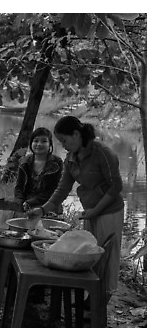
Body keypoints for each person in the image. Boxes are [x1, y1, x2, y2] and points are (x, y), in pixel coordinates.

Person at [27, 116, 124, 299]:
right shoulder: (70, 159)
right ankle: (92, 298)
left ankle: (102, 300)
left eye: (64, 140)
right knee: (89, 254)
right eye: (60, 142)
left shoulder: (102, 152)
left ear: (77, 134)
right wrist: (41, 210)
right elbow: (62, 190)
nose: (63, 145)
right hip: (91, 211)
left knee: (106, 258)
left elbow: (116, 187)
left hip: (109, 212)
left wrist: (96, 211)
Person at [14, 127, 63, 212]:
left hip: (49, 206)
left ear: (50, 144)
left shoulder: (56, 163)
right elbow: (19, 187)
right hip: (26, 205)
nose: (39, 144)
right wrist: (20, 203)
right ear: (31, 143)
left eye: (44, 141)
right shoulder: (24, 162)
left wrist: (31, 202)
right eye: (36, 141)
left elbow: (54, 190)